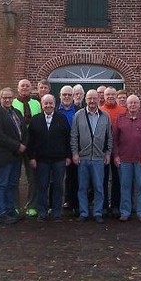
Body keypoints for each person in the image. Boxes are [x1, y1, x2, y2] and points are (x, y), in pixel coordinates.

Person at [27, 94, 71, 221]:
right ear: (41, 104)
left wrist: (68, 156)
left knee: (58, 186)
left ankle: (57, 212)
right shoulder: (35, 120)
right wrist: (32, 157)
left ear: (54, 104)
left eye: (50, 103)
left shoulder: (61, 118)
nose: (48, 105)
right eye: (45, 103)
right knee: (42, 186)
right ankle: (42, 212)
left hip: (59, 159)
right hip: (41, 160)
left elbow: (67, 138)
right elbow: (31, 141)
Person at [71, 89, 112, 223]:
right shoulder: (78, 115)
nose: (92, 101)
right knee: (82, 187)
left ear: (99, 99)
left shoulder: (105, 116)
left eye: (94, 98)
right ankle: (84, 212)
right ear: (86, 100)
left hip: (99, 158)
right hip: (83, 157)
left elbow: (109, 137)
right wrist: (75, 153)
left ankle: (97, 212)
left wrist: (108, 153)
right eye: (89, 98)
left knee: (99, 187)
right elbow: (74, 136)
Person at [113, 95, 141, 222]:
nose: (132, 105)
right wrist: (116, 155)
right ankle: (125, 212)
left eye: (135, 103)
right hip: (124, 159)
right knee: (125, 187)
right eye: (130, 103)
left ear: (139, 104)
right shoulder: (120, 118)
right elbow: (114, 139)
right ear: (126, 104)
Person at [0, 87, 28, 224]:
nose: (7, 100)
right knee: (2, 184)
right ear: (0, 99)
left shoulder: (17, 112)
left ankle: (10, 209)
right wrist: (17, 146)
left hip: (17, 156)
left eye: (9, 97)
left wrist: (24, 144)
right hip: (5, 156)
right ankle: (0, 212)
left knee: (12, 184)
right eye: (4, 97)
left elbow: (24, 131)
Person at [12, 79, 42, 216]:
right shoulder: (13, 103)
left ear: (31, 88)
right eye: (22, 86)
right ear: (18, 88)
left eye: (27, 86)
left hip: (32, 145)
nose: (25, 88)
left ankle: (32, 205)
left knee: (33, 177)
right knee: (14, 176)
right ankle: (14, 205)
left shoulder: (36, 104)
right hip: (16, 145)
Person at [100, 86, 126, 216]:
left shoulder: (123, 111)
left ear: (116, 96)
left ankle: (116, 205)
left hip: (119, 150)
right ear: (103, 96)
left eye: (112, 94)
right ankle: (104, 205)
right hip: (102, 150)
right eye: (107, 95)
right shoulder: (100, 110)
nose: (110, 96)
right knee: (102, 178)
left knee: (117, 178)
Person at [57, 85, 79, 214]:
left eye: (69, 95)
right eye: (64, 94)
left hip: (74, 148)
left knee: (73, 177)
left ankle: (72, 203)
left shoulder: (79, 111)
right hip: (58, 148)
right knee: (56, 178)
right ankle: (54, 205)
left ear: (73, 96)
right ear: (60, 96)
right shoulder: (54, 110)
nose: (66, 97)